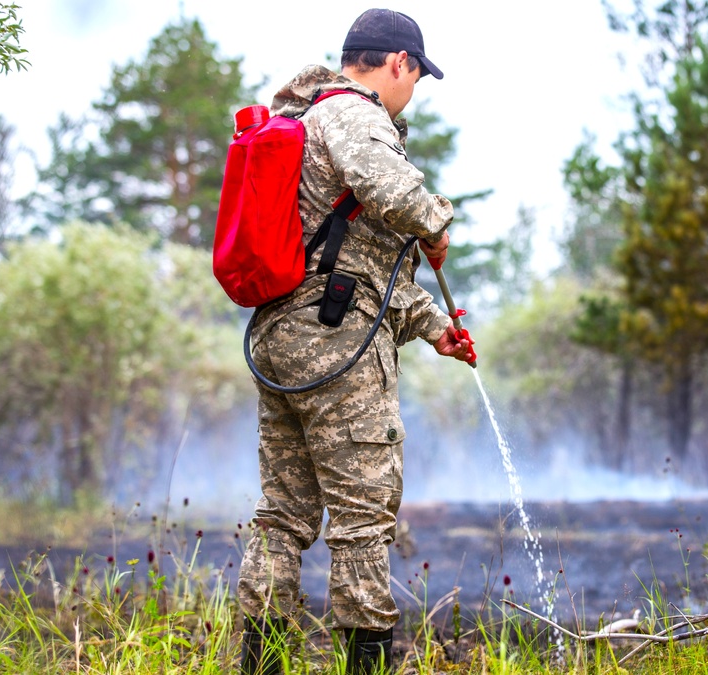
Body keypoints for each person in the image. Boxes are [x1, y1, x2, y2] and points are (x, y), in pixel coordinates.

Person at [236, 8, 473, 675]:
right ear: (399, 63)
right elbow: (390, 189)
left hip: (286, 337)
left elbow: (359, 268)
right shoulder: (353, 113)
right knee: (364, 522)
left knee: (282, 516)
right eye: (417, 77)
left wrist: (433, 327)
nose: (413, 92)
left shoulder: (312, 116)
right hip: (335, 347)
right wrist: (435, 222)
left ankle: (261, 666)